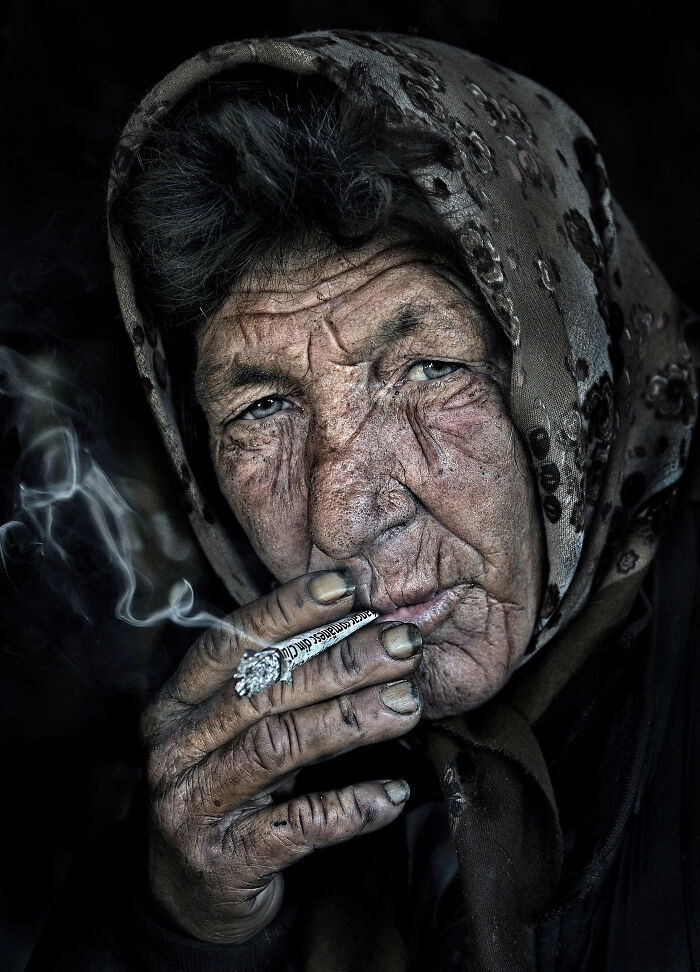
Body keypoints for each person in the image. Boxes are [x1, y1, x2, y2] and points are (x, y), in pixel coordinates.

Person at [28, 29, 700, 972]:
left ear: (568, 375)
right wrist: (184, 925)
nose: (341, 515)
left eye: (428, 369)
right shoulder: (242, 752)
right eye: (262, 409)